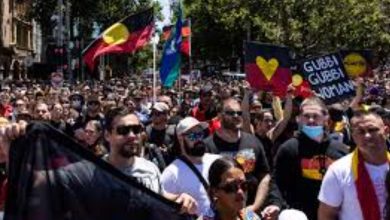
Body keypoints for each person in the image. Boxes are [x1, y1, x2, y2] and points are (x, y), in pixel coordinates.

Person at [102, 107, 197, 214]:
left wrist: (181, 199)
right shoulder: (94, 173)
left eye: (136, 130)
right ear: (107, 135)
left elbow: (159, 196)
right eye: (123, 130)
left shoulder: (150, 169)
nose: (132, 136)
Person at [273, 97, 349, 220]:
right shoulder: (288, 149)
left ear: (326, 119)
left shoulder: (341, 151)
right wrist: (275, 204)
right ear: (299, 119)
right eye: (306, 116)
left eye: (316, 116)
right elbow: (277, 182)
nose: (311, 120)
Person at [204, 98, 279, 217]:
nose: (236, 116)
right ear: (219, 115)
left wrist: (254, 206)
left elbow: (265, 176)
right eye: (230, 113)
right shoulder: (207, 146)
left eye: (239, 113)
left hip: (250, 214)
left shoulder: (253, 142)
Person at [318, 110, 390, 220]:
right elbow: (326, 215)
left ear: (386, 131)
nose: (367, 136)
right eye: (360, 132)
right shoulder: (338, 171)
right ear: (354, 137)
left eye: (373, 130)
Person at [161, 117, 221, 217]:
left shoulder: (217, 161)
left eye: (200, 134)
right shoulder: (171, 173)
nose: (198, 139)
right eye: (193, 136)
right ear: (180, 138)